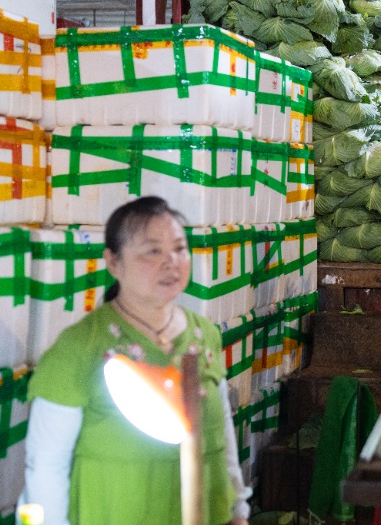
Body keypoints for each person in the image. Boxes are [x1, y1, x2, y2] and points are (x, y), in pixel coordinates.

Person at [20, 196, 251, 525]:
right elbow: (46, 467)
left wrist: (237, 512)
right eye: (153, 251)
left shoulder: (205, 335)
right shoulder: (80, 347)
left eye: (179, 248)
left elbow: (222, 435)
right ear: (113, 262)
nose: (171, 262)